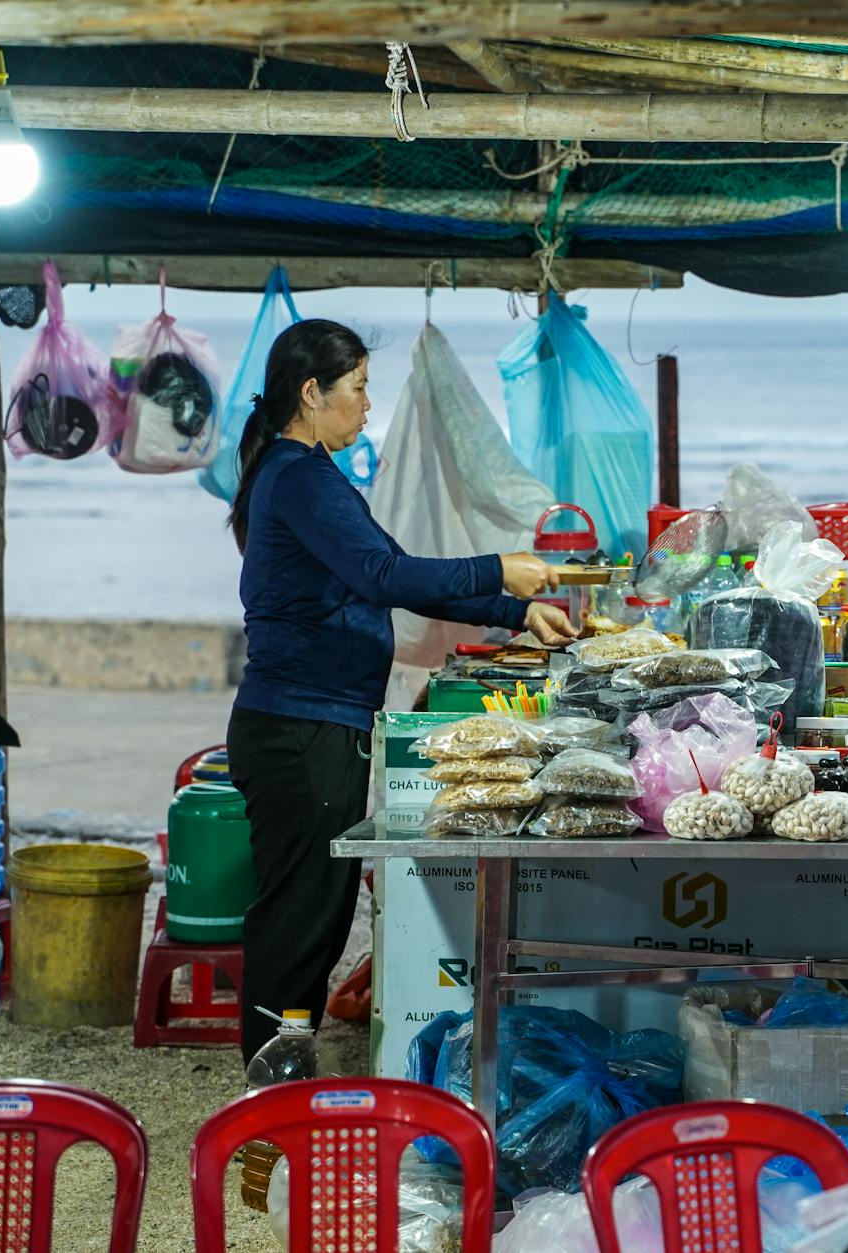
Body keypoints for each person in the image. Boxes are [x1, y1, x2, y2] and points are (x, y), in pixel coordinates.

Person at [224, 318, 576, 1064]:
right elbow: (385, 579)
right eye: (356, 388)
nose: (365, 405)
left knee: (317, 911)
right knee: (299, 917)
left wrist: (516, 610)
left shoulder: (308, 476)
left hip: (315, 723)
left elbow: (395, 569)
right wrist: (497, 569)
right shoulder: (297, 477)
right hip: (299, 728)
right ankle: (269, 1082)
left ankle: (285, 1062)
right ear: (311, 392)